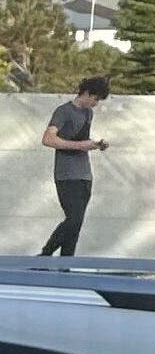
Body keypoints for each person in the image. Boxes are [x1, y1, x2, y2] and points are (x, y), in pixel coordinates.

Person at [37, 76, 110, 257]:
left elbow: (81, 140)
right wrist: (81, 146)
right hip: (66, 174)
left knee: (76, 224)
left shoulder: (88, 114)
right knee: (73, 219)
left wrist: (95, 145)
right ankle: (45, 256)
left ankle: (66, 263)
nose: (96, 103)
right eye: (95, 98)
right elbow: (48, 139)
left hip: (84, 174)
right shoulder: (63, 111)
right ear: (86, 93)